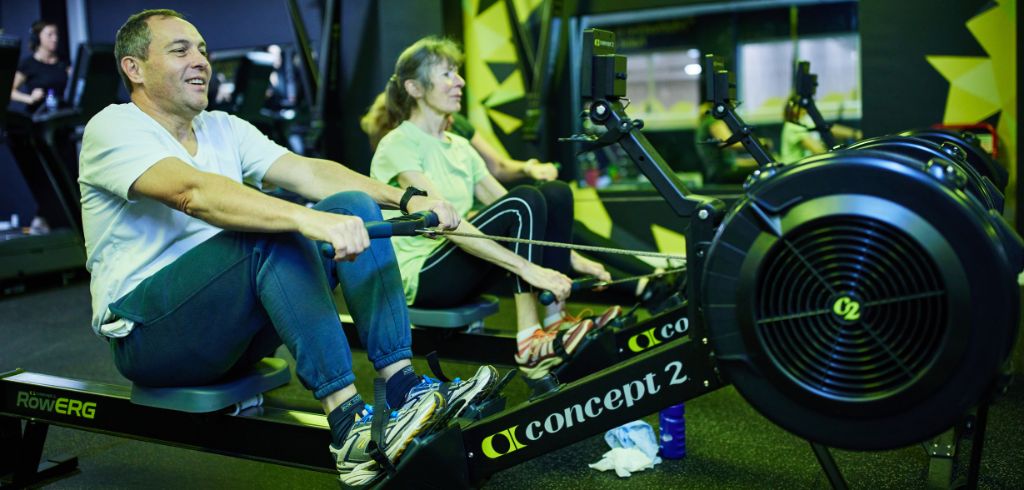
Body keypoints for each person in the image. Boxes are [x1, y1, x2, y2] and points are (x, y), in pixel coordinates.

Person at [78, 10, 495, 485]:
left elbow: (310, 172)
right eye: (180, 51)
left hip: (230, 329)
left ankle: (402, 386)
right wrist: (303, 218)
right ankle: (347, 426)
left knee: (352, 205)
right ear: (134, 68)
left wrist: (407, 197)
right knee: (271, 228)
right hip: (151, 338)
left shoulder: (222, 127)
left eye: (203, 50)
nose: (201, 61)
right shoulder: (113, 128)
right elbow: (192, 193)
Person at [363, 37, 617, 380]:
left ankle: (555, 321)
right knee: (525, 197)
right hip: (422, 276)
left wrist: (578, 262)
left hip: (458, 264)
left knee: (553, 193)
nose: (460, 82)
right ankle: (529, 337)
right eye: (447, 74)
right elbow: (446, 222)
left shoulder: (461, 147)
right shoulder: (399, 143)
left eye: (458, 73)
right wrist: (528, 269)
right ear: (415, 88)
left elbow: (523, 214)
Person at [779, 95, 862, 163]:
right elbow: (818, 150)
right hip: (794, 170)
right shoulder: (792, 126)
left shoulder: (804, 121)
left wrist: (854, 133)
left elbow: (826, 128)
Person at [10, 20, 69, 114]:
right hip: (39, 117)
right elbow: (10, 91)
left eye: (56, 34)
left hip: (62, 116)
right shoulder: (28, 64)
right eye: (50, 35)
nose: (55, 38)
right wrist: (30, 99)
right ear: (37, 38)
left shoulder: (63, 61)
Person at [693, 101, 759, 184]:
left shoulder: (703, 124)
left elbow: (732, 161)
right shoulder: (712, 121)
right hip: (721, 174)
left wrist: (753, 162)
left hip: (716, 173)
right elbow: (730, 143)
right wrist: (760, 143)